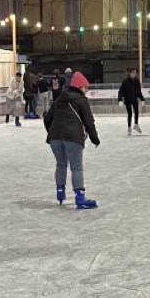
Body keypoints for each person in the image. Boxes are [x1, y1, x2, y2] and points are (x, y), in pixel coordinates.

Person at [43, 69, 100, 208]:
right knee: (77, 167)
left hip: (55, 138)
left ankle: (60, 192)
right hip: (73, 138)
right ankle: (80, 197)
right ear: (80, 87)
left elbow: (47, 118)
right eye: (86, 87)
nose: (86, 91)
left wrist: (52, 132)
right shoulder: (81, 100)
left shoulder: (59, 99)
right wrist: (95, 139)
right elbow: (89, 122)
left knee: (61, 164)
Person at [117, 67, 144, 136]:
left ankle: (136, 124)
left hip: (134, 99)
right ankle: (129, 127)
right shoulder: (125, 81)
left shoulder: (137, 81)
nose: (134, 74)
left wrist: (142, 99)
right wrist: (120, 99)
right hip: (128, 99)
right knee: (130, 113)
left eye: (135, 73)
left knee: (137, 112)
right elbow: (121, 91)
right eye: (133, 73)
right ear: (130, 73)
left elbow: (138, 91)